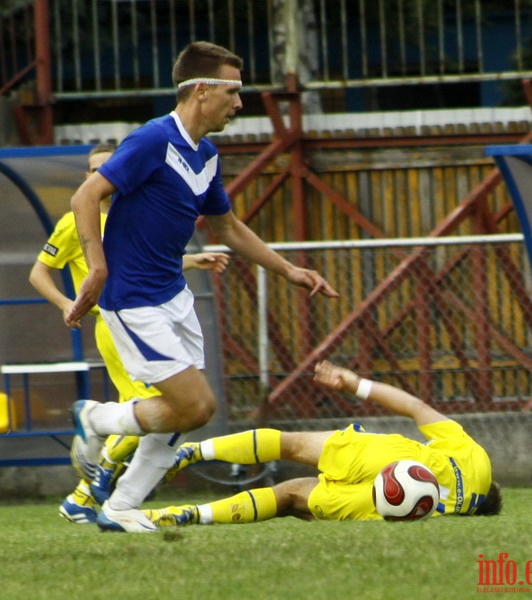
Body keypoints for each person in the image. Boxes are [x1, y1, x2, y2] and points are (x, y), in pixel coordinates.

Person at [65, 41, 338, 532]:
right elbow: (86, 195)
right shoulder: (152, 140)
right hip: (133, 298)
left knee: (187, 415)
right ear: (201, 90)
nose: (239, 103)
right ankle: (98, 419)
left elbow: (229, 228)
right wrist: (97, 268)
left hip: (174, 297)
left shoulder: (206, 154)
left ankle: (120, 507)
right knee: (197, 405)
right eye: (233, 92)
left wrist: (288, 270)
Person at [29, 142, 229, 523]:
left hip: (150, 321)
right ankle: (101, 472)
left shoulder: (131, 212)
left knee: (162, 410)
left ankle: (84, 499)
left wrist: (191, 261)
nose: (101, 175)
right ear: (88, 179)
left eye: (108, 167)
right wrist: (65, 305)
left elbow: (147, 267)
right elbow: (38, 272)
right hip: (119, 324)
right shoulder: (77, 222)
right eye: (93, 170)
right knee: (165, 406)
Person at [143, 360, 502, 527]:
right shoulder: (463, 511)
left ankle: (193, 451)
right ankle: (194, 515)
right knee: (291, 495)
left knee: (290, 444)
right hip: (387, 502)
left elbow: (417, 407)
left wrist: (355, 383)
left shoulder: (478, 463)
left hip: (395, 457)